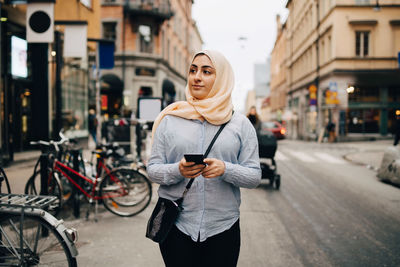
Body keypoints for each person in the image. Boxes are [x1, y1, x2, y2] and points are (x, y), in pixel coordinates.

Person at [147, 50, 261, 267]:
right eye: (193, 70)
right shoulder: (170, 119)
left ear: (221, 79)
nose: (197, 77)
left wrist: (226, 169)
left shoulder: (240, 124)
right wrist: (177, 170)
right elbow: (152, 169)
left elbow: (254, 176)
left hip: (223, 228)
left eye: (206, 71)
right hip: (177, 227)